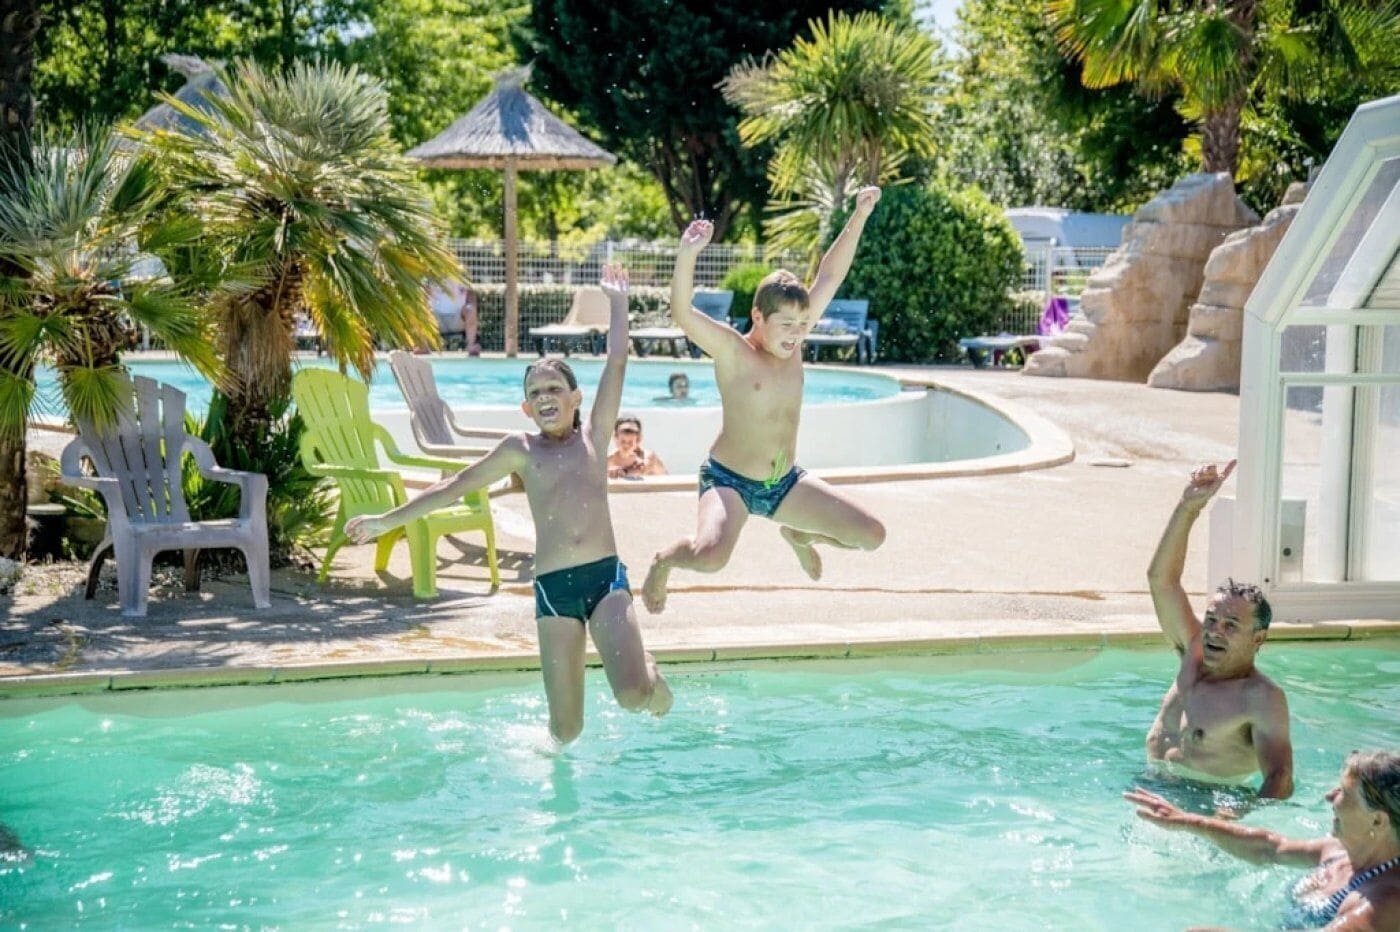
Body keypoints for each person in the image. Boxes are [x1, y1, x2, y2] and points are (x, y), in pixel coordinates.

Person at [346, 265, 672, 744]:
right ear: (525, 408)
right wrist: (385, 521)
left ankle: (652, 678)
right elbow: (454, 487)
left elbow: (617, 363)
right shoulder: (520, 448)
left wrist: (618, 303)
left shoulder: (594, 435)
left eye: (554, 390)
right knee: (566, 729)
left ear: (576, 399)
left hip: (604, 580)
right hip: (552, 590)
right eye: (535, 394)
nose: (545, 399)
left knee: (633, 697)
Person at [641, 188, 887, 614]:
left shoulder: (795, 341)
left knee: (871, 534)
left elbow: (830, 275)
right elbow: (682, 312)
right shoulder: (734, 352)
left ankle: (798, 533)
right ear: (758, 317)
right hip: (728, 482)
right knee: (710, 557)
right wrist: (687, 255)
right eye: (786, 324)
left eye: (802, 323)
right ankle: (664, 562)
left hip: (784, 484)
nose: (796, 334)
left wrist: (861, 214)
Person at [1146, 460, 1293, 798]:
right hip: (1151, 787)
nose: (1214, 631)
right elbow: (1161, 580)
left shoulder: (1260, 698)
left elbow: (1280, 777)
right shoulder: (1192, 653)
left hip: (1203, 805)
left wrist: (1233, 823)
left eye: (1230, 625)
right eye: (1212, 620)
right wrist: (1188, 508)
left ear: (1258, 639)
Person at [1126, 751, 1400, 930]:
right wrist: (1186, 820)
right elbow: (1271, 847)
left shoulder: (1383, 903)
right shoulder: (1340, 851)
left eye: (1343, 794)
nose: (1329, 797)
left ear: (1378, 821)